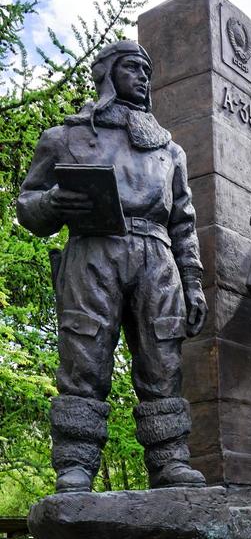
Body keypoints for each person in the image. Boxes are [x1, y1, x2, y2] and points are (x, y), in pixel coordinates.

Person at [17, 40, 207, 493]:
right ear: (106, 74)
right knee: (83, 357)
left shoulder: (169, 150)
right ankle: (76, 464)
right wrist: (52, 202)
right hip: (92, 252)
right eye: (132, 68)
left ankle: (169, 461)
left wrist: (193, 282)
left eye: (147, 70)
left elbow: (184, 221)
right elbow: (27, 204)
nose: (143, 77)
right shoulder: (64, 137)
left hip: (156, 257)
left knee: (163, 362)